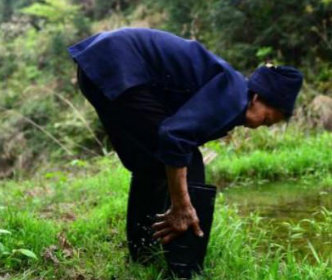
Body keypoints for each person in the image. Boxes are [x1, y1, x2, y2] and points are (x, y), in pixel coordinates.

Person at [68, 27, 303, 278]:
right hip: (117, 63)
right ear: (256, 97)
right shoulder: (233, 97)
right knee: (188, 162)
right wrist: (182, 205)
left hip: (97, 65)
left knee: (152, 164)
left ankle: (143, 255)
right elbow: (176, 136)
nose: (261, 126)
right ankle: (186, 269)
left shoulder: (229, 89)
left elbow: (173, 135)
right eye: (267, 119)